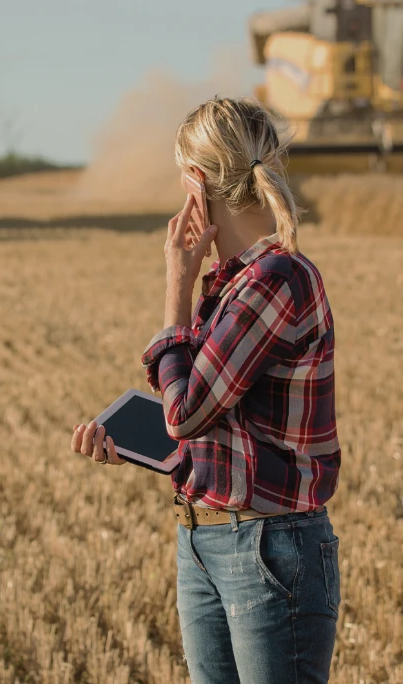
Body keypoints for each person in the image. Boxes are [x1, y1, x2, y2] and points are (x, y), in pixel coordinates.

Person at [70, 96, 342, 684]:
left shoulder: (277, 279)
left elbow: (187, 410)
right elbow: (214, 422)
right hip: (206, 536)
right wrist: (133, 442)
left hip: (269, 549)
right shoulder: (234, 284)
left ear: (196, 185)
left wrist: (176, 284)